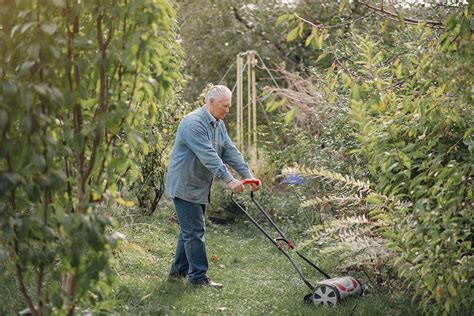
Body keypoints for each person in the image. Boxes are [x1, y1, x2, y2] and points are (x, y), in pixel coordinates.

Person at [165, 85, 262, 288]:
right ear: (211, 102)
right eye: (225, 106)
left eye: (229, 106)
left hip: (199, 184)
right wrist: (230, 180)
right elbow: (209, 156)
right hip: (185, 184)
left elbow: (229, 151)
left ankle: (177, 272)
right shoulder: (193, 123)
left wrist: (247, 175)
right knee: (195, 232)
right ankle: (198, 278)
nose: (228, 110)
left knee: (188, 231)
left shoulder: (218, 124)